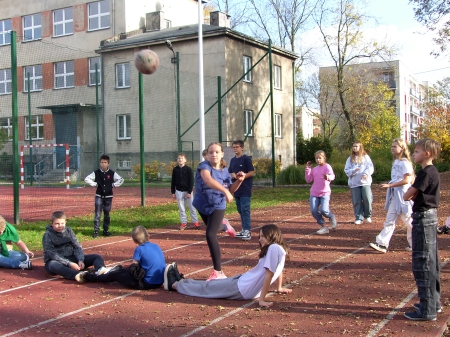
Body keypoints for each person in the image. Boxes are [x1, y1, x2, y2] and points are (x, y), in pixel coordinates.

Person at [164, 224, 292, 307]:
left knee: (208, 289)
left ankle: (175, 285)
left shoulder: (274, 248)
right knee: (210, 285)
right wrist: (279, 288)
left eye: (263, 236)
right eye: (260, 236)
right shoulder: (280, 249)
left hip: (242, 288)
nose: (260, 240)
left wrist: (262, 300)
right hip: (242, 282)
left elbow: (269, 274)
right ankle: (181, 281)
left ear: (272, 235)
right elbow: (278, 270)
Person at [193, 142, 245, 281]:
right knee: (213, 228)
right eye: (211, 152)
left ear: (222, 154)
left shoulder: (225, 172)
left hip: (218, 205)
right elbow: (208, 180)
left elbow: (231, 190)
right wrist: (225, 191)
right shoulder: (204, 166)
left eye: (217, 152)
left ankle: (218, 271)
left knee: (210, 234)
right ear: (207, 155)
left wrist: (239, 181)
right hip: (202, 204)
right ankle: (225, 225)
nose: (214, 154)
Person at [403, 138, 441, 321]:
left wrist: (411, 191)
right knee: (431, 261)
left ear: (426, 154)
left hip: (424, 219)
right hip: (429, 217)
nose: (414, 154)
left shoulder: (426, 173)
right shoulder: (432, 172)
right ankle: (434, 303)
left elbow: (407, 195)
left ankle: (427, 309)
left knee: (423, 263)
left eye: (416, 151)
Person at [42, 211, 120, 283]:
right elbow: (53, 254)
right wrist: (69, 264)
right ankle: (80, 275)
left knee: (96, 256)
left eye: (62, 223)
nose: (60, 226)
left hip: (72, 258)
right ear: (52, 223)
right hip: (56, 261)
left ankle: (101, 270)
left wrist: (80, 259)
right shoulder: (47, 235)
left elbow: (77, 246)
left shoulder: (69, 231)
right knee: (52, 265)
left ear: (65, 222)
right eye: (57, 223)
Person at [81, 226, 166, 289]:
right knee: (125, 269)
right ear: (148, 236)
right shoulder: (156, 246)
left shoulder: (139, 249)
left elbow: (134, 268)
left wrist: (124, 272)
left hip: (147, 283)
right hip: (160, 282)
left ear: (134, 241)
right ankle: (111, 271)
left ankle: (95, 278)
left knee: (117, 274)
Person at [369, 138, 414, 253]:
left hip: (404, 196)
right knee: (390, 219)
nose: (392, 148)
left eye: (395, 146)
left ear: (402, 148)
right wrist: (391, 185)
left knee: (409, 220)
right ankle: (382, 243)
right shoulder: (396, 162)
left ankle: (416, 243)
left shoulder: (404, 162)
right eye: (392, 146)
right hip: (395, 195)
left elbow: (407, 180)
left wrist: (390, 185)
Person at [85, 154, 124, 238]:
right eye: (102, 162)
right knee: (98, 214)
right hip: (99, 196)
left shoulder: (112, 173)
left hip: (108, 197)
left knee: (107, 213)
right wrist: (94, 183)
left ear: (108, 163)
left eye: (105, 162)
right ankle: (96, 231)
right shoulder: (96, 173)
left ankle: (105, 230)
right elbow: (87, 179)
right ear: (100, 163)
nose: (103, 164)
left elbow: (121, 179)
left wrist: (113, 185)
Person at [305, 150, 337, 235]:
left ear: (324, 158)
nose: (318, 160)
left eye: (320, 158)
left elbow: (333, 176)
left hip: (325, 193)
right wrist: (308, 168)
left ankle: (331, 216)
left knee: (324, 210)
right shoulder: (315, 169)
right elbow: (308, 180)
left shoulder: (327, 167)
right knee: (314, 211)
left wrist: (328, 177)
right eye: (316, 158)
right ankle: (323, 226)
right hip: (314, 193)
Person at [228, 140, 255, 241]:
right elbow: (230, 172)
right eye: (234, 147)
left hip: (245, 189)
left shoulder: (246, 159)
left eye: (237, 147)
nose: (235, 149)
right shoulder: (232, 160)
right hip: (236, 189)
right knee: (240, 209)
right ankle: (244, 229)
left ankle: (247, 230)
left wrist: (243, 176)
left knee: (245, 209)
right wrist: (233, 175)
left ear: (242, 148)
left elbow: (251, 172)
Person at [344, 142, 374, 225]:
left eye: (356, 146)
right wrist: (353, 171)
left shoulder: (366, 157)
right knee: (357, 201)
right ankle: (358, 217)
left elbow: (370, 167)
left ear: (360, 147)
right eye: (353, 146)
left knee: (367, 198)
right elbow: (346, 170)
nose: (354, 148)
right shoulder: (350, 159)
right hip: (354, 183)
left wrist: (366, 174)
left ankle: (367, 215)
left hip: (365, 182)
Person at [171, 153, 199, 230]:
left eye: (182, 158)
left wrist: (189, 192)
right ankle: (184, 222)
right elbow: (173, 181)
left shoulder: (189, 169)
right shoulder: (175, 169)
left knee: (192, 207)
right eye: (179, 158)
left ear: (185, 160)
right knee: (181, 208)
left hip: (187, 191)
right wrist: (173, 192)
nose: (180, 160)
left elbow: (191, 181)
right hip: (179, 191)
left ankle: (195, 222)